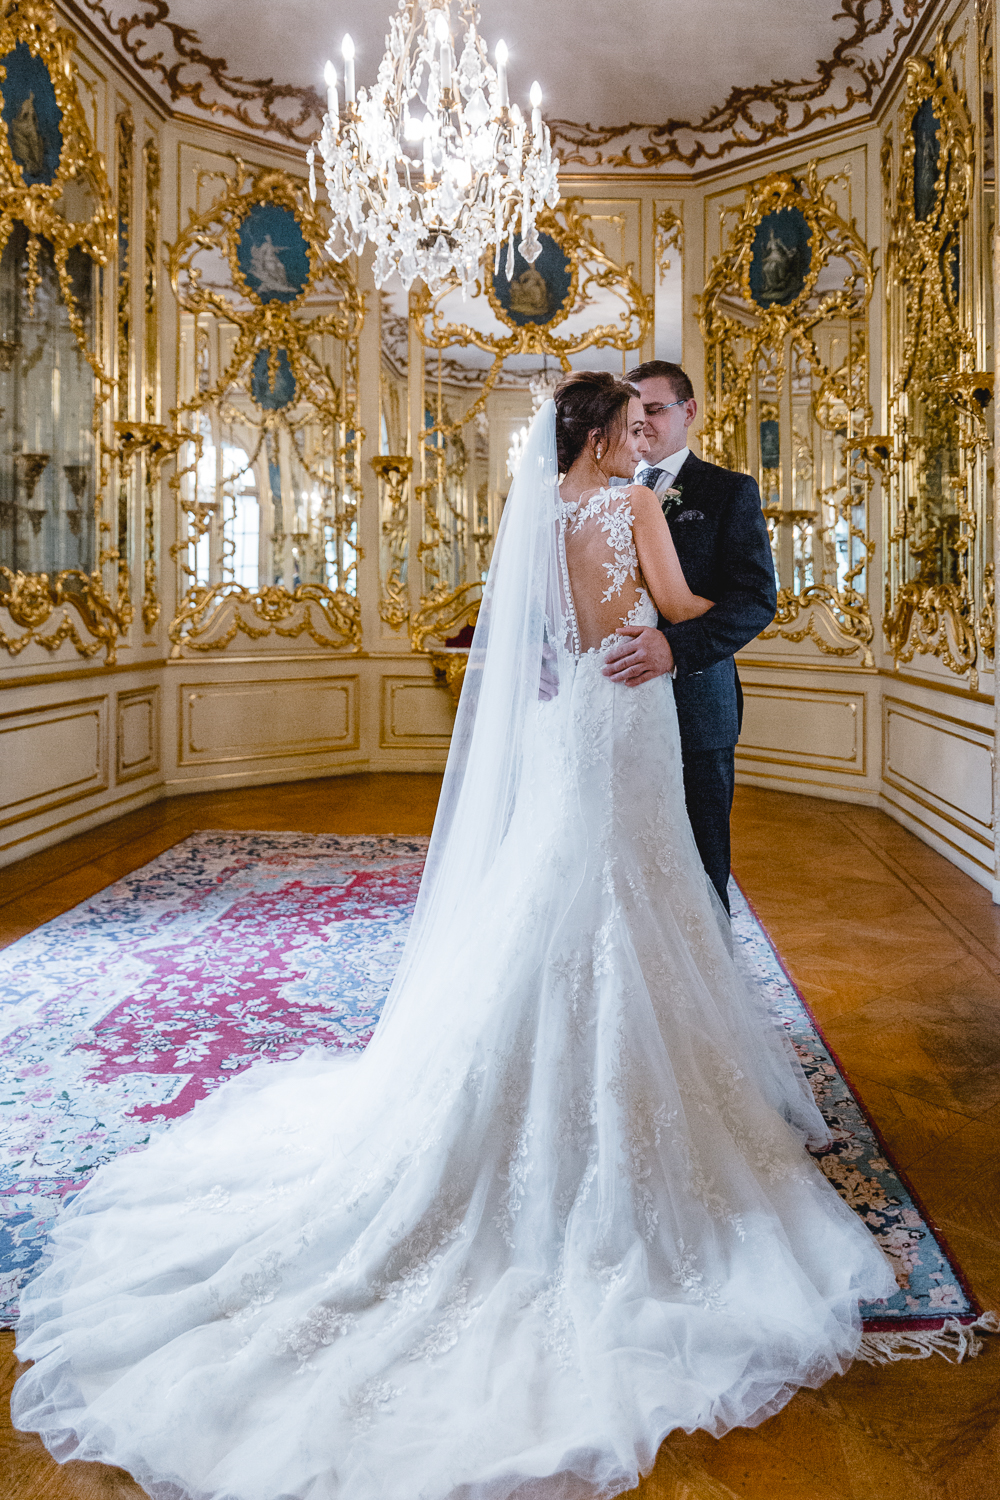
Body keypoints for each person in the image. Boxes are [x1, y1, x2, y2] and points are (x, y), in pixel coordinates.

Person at [13, 374, 894, 1500]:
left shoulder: (541, 517)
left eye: (646, 426)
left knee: (582, 890)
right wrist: (683, 612)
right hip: (626, 714)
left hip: (581, 710)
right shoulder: (626, 507)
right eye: (628, 428)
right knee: (635, 895)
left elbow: (543, 636)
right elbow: (678, 610)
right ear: (597, 433)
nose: (640, 441)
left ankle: (539, 1073)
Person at [603, 360, 777, 913]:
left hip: (697, 703)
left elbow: (755, 601)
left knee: (701, 860)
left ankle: (709, 980)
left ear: (689, 411)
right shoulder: (602, 493)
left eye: (655, 410)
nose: (642, 425)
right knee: (623, 855)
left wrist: (675, 648)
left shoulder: (729, 492)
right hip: (612, 702)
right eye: (633, 414)